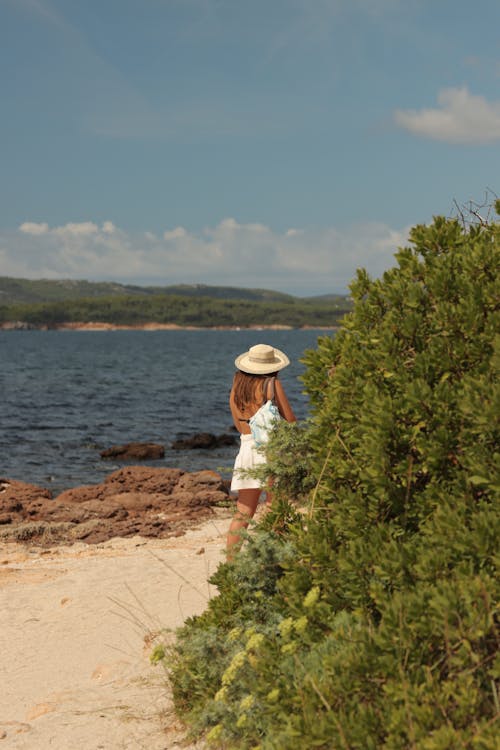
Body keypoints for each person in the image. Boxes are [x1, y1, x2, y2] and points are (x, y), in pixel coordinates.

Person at [226, 343, 296, 557]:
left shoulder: (237, 386)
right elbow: (290, 422)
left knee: (243, 510)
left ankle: (231, 564)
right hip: (271, 450)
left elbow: (239, 425)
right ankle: (273, 558)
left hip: (246, 448)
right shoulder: (271, 384)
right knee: (274, 506)